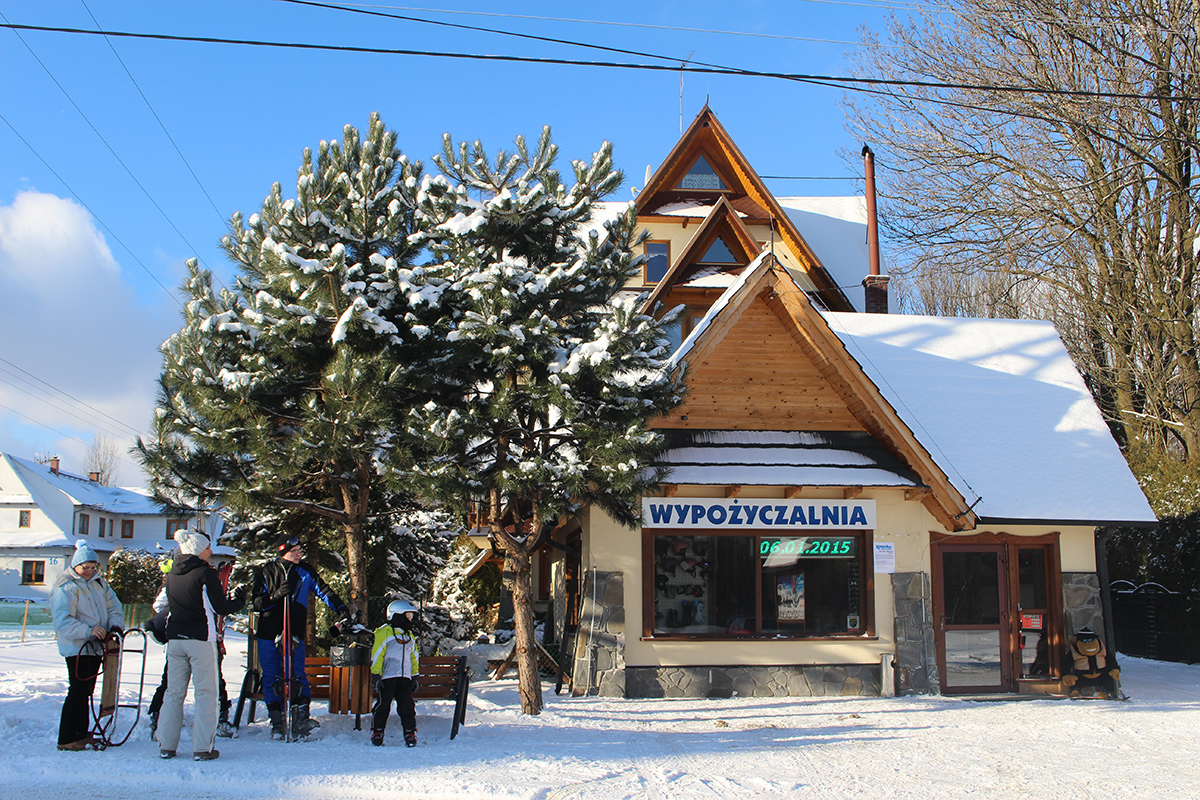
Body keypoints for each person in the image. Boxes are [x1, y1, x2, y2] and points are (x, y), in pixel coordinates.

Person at [156, 527, 244, 761]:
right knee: (206, 693)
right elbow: (220, 607)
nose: (210, 551)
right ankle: (202, 748)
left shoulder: (172, 574)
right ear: (196, 551)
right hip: (200, 639)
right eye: (207, 548)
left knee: (173, 693)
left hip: (175, 639)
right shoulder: (205, 574)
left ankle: (166, 745)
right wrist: (239, 600)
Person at [252, 533, 349, 739]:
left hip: (294, 631)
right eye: (294, 551)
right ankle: (277, 721)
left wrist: (341, 609)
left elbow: (323, 590)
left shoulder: (304, 571)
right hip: (269, 631)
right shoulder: (267, 571)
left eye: (299, 551)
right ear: (283, 552)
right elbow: (257, 603)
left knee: (297, 674)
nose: (299, 554)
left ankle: (301, 718)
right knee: (271, 675)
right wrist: (275, 596)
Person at [147, 557, 235, 739]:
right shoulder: (190, 576)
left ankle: (219, 715)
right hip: (194, 636)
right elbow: (160, 604)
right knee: (184, 683)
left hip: (194, 635)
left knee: (206, 680)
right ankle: (160, 716)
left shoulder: (183, 575)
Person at [50, 540, 123, 751]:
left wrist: (115, 626)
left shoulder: (99, 583)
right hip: (77, 647)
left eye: (92, 567)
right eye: (85, 568)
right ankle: (67, 737)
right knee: (78, 690)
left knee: (87, 690)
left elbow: (114, 607)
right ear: (76, 566)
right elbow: (62, 621)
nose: (89, 571)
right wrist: (88, 631)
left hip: (96, 646)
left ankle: (80, 733)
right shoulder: (66, 586)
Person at [370, 599, 421, 747]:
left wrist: (414, 675)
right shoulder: (385, 633)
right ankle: (377, 731)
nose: (410, 620)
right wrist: (376, 675)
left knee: (407, 706)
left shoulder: (409, 636)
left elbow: (414, 656)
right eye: (408, 616)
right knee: (383, 705)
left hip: (404, 677)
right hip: (388, 677)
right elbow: (377, 655)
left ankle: (410, 732)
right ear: (397, 615)